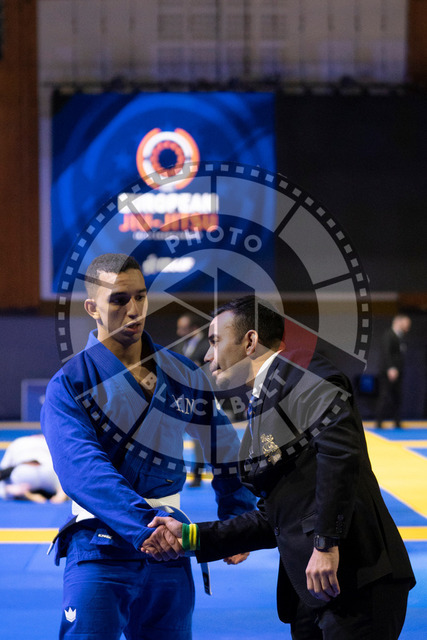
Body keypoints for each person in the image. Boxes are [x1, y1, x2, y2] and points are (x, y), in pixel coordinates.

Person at [142, 295, 415, 640]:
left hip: (356, 579)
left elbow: (341, 453)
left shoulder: (303, 372)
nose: (208, 356)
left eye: (215, 341)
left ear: (250, 341)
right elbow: (275, 516)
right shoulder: (263, 402)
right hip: (313, 590)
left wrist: (325, 544)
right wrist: (192, 536)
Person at [41, 254, 256, 640]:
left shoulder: (181, 373)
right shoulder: (71, 383)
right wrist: (144, 526)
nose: (134, 310)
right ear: (92, 308)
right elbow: (82, 469)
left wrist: (236, 514)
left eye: (140, 297)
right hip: (102, 543)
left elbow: (222, 441)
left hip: (170, 545)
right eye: (119, 300)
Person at [174, 312, 210, 487]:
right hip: (180, 397)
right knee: (173, 434)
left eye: (183, 329)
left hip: (202, 398)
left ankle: (198, 472)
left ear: (194, 328)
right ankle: (174, 472)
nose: (179, 332)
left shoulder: (208, 346)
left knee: (199, 438)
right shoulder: (180, 346)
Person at [0, 434, 67, 503]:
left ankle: (25, 493)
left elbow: (4, 469)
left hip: (23, 471)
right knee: (57, 482)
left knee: (10, 480)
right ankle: (60, 492)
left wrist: (6, 489)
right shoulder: (51, 441)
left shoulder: (18, 442)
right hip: (49, 471)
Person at [375, 314, 412, 429]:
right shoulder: (388, 335)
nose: (408, 326)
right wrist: (391, 368)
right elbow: (386, 353)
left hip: (398, 371)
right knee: (385, 396)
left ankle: (397, 421)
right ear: (398, 322)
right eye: (406, 323)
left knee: (397, 397)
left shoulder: (400, 337)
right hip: (389, 372)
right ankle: (379, 422)